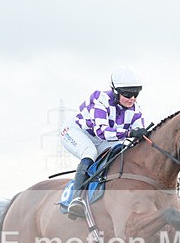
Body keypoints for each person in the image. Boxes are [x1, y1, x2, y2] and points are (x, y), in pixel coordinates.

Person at [60, 66, 148, 218]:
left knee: (121, 154)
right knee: (89, 152)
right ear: (116, 91)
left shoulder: (135, 110)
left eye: (136, 94)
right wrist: (129, 133)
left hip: (103, 139)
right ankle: (77, 199)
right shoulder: (100, 99)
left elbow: (138, 136)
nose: (132, 98)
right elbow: (103, 132)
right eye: (128, 94)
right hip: (76, 132)